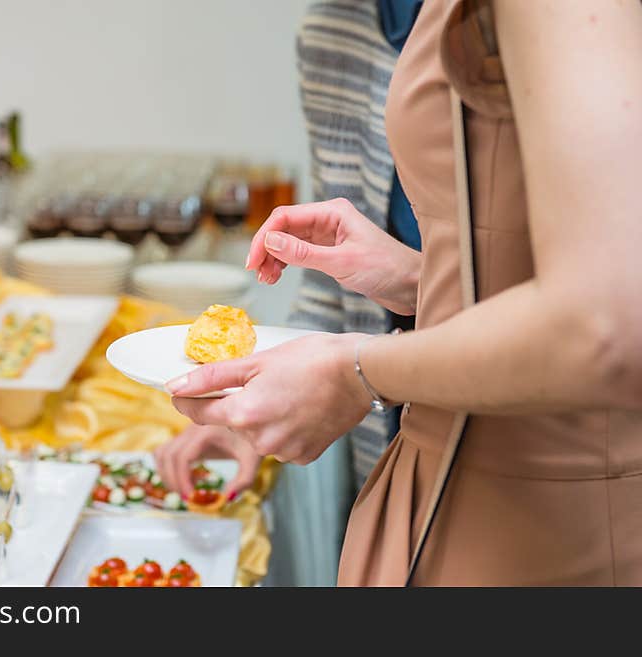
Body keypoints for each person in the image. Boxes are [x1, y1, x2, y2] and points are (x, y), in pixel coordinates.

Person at [167, 0, 642, 585]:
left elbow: (607, 326)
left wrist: (358, 373)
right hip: (447, 484)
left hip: (546, 516)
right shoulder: (338, 25)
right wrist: (424, 280)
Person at [155, 0, 420, 586]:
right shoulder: (334, 28)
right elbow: (339, 288)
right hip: (393, 469)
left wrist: (364, 373)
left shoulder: (522, 27)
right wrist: (247, 406)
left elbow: (582, 321)